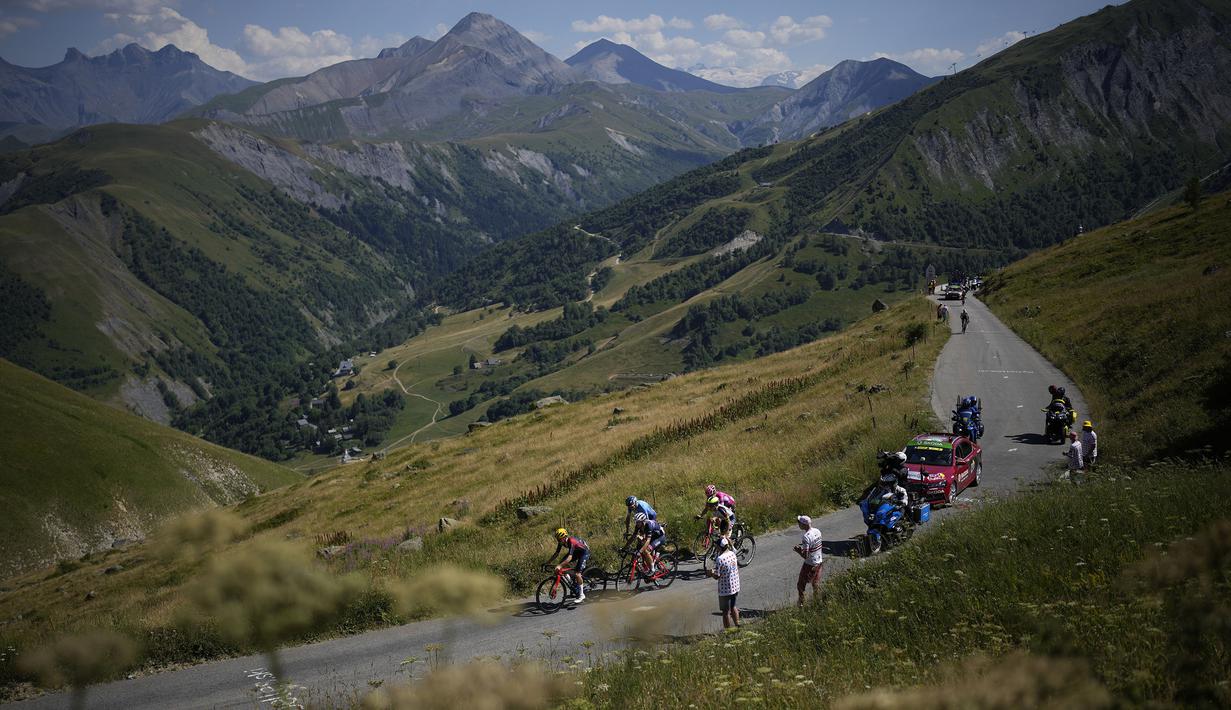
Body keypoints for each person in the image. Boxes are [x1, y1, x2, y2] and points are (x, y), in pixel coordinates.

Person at [546, 527, 589, 603]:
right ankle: (573, 583)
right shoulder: (561, 542)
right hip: (577, 551)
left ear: (564, 537)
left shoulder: (571, 541)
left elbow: (569, 557)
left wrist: (559, 566)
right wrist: (548, 562)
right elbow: (556, 554)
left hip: (584, 553)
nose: (558, 541)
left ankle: (582, 595)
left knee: (577, 574)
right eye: (557, 539)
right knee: (562, 563)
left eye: (559, 539)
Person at [707, 537, 741, 629]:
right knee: (733, 606)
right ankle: (738, 624)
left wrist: (711, 573)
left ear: (719, 547)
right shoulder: (732, 553)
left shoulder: (720, 559)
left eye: (717, 546)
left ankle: (728, 631)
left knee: (725, 612)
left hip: (725, 589)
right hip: (735, 586)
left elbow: (717, 576)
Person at [793, 515, 823, 607]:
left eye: (799, 523)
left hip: (810, 564)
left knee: (801, 585)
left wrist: (799, 551)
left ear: (804, 524)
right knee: (815, 584)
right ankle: (817, 602)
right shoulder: (817, 531)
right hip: (819, 561)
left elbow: (805, 555)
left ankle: (801, 603)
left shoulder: (806, 537)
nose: (798, 524)